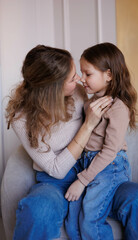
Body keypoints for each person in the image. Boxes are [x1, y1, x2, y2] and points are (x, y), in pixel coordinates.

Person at [6, 45, 113, 240]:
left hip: (94, 171)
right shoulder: (21, 119)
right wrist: (87, 126)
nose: (79, 80)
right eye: (73, 78)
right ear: (53, 88)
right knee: (38, 209)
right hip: (55, 182)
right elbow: (56, 169)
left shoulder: (78, 93)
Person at [64, 42, 138, 240]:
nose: (82, 79)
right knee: (73, 220)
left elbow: (109, 151)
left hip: (110, 165)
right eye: (81, 73)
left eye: (88, 74)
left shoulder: (117, 108)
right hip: (88, 163)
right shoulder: (89, 103)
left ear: (108, 75)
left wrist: (82, 180)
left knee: (90, 219)